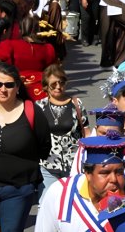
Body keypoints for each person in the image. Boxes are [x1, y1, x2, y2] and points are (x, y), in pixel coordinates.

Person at [0, 63, 52, 232]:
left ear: (18, 87)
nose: (2, 89)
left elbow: (44, 147)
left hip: (19, 189)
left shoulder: (32, 111)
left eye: (9, 85)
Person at [35, 134, 125, 232]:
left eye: (119, 172)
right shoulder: (60, 193)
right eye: (105, 173)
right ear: (88, 174)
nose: (114, 179)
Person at [36, 64, 88, 195]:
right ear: (46, 85)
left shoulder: (76, 103)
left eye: (62, 82)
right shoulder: (39, 106)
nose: (58, 87)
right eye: (53, 84)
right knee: (47, 201)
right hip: (47, 164)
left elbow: (86, 131)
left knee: (73, 199)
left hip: (74, 163)